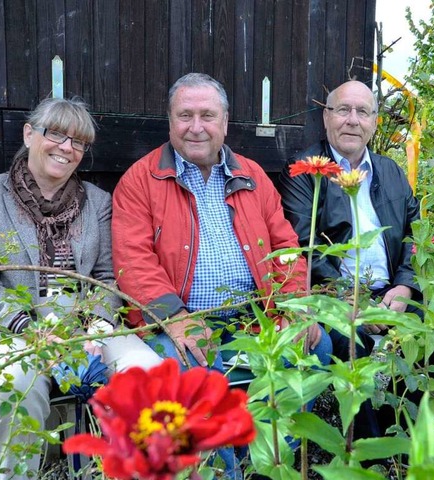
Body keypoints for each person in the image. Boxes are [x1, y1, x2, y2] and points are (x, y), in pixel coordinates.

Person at [111, 73, 332, 477]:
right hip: (177, 321)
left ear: (225, 123)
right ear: (170, 122)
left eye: (207, 115)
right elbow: (133, 263)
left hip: (256, 316)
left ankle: (266, 460)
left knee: (316, 347)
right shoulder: (140, 181)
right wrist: (177, 319)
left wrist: (295, 307)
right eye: (185, 115)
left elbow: (285, 248)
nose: (196, 126)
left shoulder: (251, 175)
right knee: (186, 381)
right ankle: (224, 473)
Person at [0, 97, 163, 480]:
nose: (67, 148)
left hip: (82, 325)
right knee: (20, 382)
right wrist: (30, 330)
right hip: (8, 327)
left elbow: (103, 275)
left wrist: (99, 325)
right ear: (29, 134)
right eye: (56, 135)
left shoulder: (97, 202)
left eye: (79, 142)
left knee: (150, 371)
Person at [278, 80, 434, 445]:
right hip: (339, 299)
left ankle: (398, 423)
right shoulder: (305, 172)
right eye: (343, 110)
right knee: (349, 342)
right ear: (326, 118)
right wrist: (358, 302)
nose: (352, 120)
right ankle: (364, 445)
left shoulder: (391, 172)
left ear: (375, 122)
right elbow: (304, 247)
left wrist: (405, 285)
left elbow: (414, 237)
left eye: (363, 112)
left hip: (393, 293)